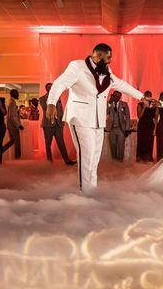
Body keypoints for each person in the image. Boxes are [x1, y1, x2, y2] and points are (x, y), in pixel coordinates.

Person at [45, 43, 146, 192]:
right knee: (86, 156)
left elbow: (121, 85)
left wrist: (142, 97)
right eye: (108, 57)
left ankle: (92, 190)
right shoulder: (77, 67)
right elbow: (60, 83)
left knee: (94, 159)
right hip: (80, 118)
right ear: (98, 56)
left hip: (98, 120)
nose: (110, 61)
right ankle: (85, 192)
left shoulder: (107, 71)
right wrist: (51, 103)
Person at [40, 83, 75, 165]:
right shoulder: (42, 99)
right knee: (48, 144)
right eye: (49, 87)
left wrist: (62, 120)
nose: (50, 88)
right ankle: (49, 162)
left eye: (51, 87)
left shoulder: (58, 97)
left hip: (58, 124)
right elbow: (46, 109)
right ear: (46, 89)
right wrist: (52, 100)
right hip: (48, 124)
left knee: (61, 143)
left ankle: (67, 160)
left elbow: (61, 109)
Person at [106, 91, 131, 161]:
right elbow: (105, 113)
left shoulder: (124, 104)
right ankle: (114, 162)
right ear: (113, 96)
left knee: (120, 146)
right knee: (112, 146)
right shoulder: (109, 103)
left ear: (120, 97)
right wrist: (109, 104)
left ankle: (120, 162)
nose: (116, 97)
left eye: (118, 96)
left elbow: (128, 117)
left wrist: (127, 129)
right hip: (111, 128)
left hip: (121, 129)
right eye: (115, 96)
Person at [2, 89, 24, 159]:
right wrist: (19, 125)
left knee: (12, 141)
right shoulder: (12, 102)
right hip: (13, 125)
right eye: (17, 93)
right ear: (13, 94)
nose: (18, 95)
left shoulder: (9, 101)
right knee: (17, 142)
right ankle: (18, 157)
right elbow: (12, 116)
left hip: (10, 125)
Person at [137, 90, 156, 162]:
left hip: (150, 125)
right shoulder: (140, 104)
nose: (149, 97)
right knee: (141, 140)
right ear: (144, 97)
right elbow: (139, 116)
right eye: (147, 96)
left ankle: (148, 156)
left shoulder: (153, 106)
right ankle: (140, 156)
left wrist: (155, 128)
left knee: (150, 141)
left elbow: (156, 117)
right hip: (142, 125)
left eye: (150, 96)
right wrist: (144, 107)